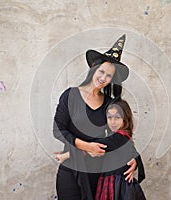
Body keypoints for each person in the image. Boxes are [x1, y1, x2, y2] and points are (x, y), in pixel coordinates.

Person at [53, 35, 138, 200]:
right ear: (93, 68)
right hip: (70, 170)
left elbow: (122, 135)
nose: (103, 78)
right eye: (102, 72)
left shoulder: (110, 104)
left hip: (97, 171)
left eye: (109, 76)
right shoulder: (71, 95)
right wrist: (86, 146)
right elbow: (58, 130)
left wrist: (135, 159)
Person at [56, 99, 146, 200]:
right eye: (109, 117)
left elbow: (95, 147)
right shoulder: (120, 136)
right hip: (111, 182)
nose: (113, 122)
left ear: (125, 119)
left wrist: (66, 155)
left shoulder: (120, 137)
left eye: (117, 117)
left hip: (118, 186)